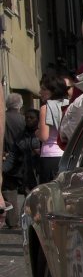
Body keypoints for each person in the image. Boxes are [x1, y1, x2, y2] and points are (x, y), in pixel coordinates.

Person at [37, 73, 70, 184]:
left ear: (53, 90)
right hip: (68, 155)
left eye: (43, 89)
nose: (40, 92)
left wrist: (37, 132)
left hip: (50, 156)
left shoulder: (45, 108)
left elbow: (44, 136)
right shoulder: (71, 105)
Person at [3, 94, 25, 228]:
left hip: (5, 157)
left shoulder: (3, 118)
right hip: (22, 158)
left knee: (9, 189)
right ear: (20, 105)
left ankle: (12, 220)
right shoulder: (24, 119)